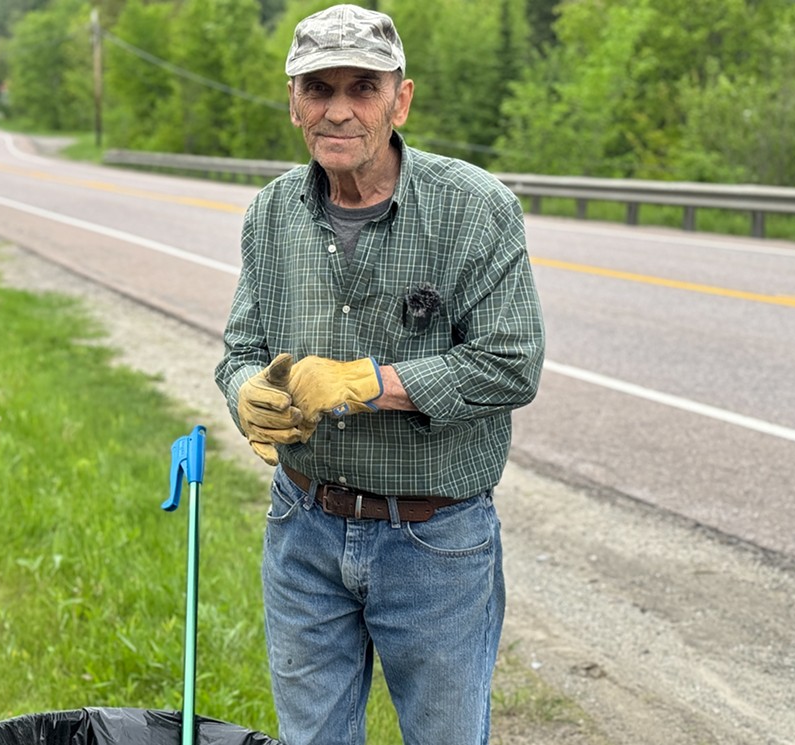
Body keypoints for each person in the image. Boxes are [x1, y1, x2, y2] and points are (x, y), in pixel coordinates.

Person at [213, 4, 546, 744]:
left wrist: (367, 382)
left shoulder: (475, 209)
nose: (338, 109)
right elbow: (239, 349)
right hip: (301, 527)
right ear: (293, 100)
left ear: (401, 99)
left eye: (362, 87)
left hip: (434, 540)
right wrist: (248, 394)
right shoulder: (271, 214)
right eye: (318, 88)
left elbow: (512, 363)